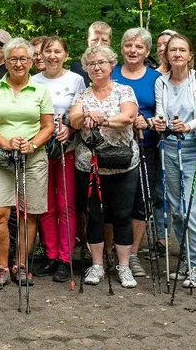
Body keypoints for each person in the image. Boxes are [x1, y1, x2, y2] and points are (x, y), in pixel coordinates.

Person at [0, 38, 54, 290]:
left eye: (23, 59)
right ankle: (1, 267)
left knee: (27, 214)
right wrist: (5, 143)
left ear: (31, 62)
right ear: (6, 62)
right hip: (0, 159)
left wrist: (31, 144)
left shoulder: (40, 90)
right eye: (13, 59)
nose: (18, 63)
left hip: (31, 159)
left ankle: (21, 265)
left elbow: (48, 126)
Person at [70, 44, 145, 289]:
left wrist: (104, 120)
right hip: (89, 165)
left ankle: (123, 266)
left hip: (123, 163)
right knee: (94, 215)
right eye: (91, 64)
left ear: (112, 65)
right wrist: (85, 116)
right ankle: (97, 265)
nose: (96, 67)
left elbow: (128, 117)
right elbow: (74, 119)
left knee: (122, 216)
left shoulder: (125, 90)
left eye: (101, 62)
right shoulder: (83, 96)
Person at [152, 33, 196, 288]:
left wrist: (187, 126)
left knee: (189, 208)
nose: (176, 54)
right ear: (166, 54)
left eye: (182, 50)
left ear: (190, 54)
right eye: (172, 50)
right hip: (169, 146)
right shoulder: (161, 82)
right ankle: (186, 258)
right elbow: (159, 113)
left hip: (192, 147)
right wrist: (161, 123)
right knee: (175, 209)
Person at [30, 36, 85, 283]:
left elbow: (80, 112)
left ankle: (65, 257)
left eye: (57, 51)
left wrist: (71, 130)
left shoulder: (76, 80)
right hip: (40, 148)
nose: (52, 56)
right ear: (40, 55)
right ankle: (51, 254)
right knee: (46, 205)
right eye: (48, 51)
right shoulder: (34, 81)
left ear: (66, 55)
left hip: (67, 148)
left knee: (66, 204)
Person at [111, 27, 163, 276]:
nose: (133, 50)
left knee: (141, 200)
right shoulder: (109, 73)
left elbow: (162, 111)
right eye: (128, 45)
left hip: (145, 145)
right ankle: (112, 251)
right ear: (121, 48)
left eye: (139, 47)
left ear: (147, 52)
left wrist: (148, 121)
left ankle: (133, 254)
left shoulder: (156, 79)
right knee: (112, 201)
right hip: (112, 146)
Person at [70, 21, 112, 85]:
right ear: (88, 41)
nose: (99, 44)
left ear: (110, 42)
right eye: (95, 40)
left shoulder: (117, 68)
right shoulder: (77, 68)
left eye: (104, 40)